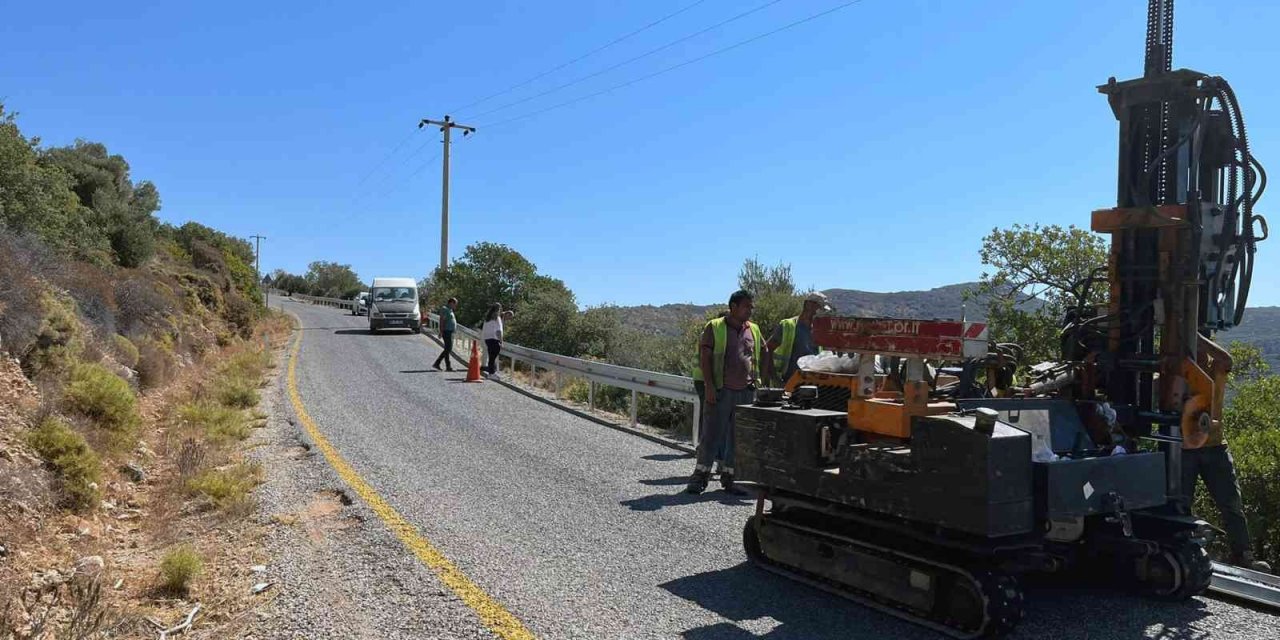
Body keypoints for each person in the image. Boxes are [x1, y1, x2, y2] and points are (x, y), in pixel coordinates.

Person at [686, 290, 764, 495]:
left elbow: (762, 352)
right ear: (733, 307)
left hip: (746, 391)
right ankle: (700, 477)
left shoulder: (754, 329)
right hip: (722, 390)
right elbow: (705, 357)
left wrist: (759, 384)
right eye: (746, 306)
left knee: (738, 438)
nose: (750, 310)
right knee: (711, 435)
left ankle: (731, 478)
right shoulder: (715, 327)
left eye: (751, 307)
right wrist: (710, 387)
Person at [1183, 436, 1272, 572]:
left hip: (1215, 446)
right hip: (1181, 446)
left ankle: (1243, 556)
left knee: (1232, 504)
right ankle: (1180, 555)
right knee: (1179, 506)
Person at [765, 291, 831, 387]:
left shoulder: (818, 331)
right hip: (787, 384)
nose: (822, 313)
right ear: (808, 305)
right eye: (820, 309)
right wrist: (775, 378)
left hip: (812, 386)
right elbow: (767, 350)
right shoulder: (788, 326)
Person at [431, 297, 458, 372]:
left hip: (450, 332)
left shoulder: (450, 310)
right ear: (451, 303)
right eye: (455, 304)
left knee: (448, 349)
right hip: (446, 331)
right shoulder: (445, 309)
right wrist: (441, 331)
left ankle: (440, 364)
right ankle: (443, 365)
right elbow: (442, 321)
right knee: (448, 348)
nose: (455, 306)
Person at [481, 303, 504, 379]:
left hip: (487, 339)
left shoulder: (487, 318)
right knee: (493, 357)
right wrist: (501, 341)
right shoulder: (497, 318)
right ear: (498, 309)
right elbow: (498, 331)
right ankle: (491, 373)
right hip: (494, 339)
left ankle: (492, 372)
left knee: (491, 357)